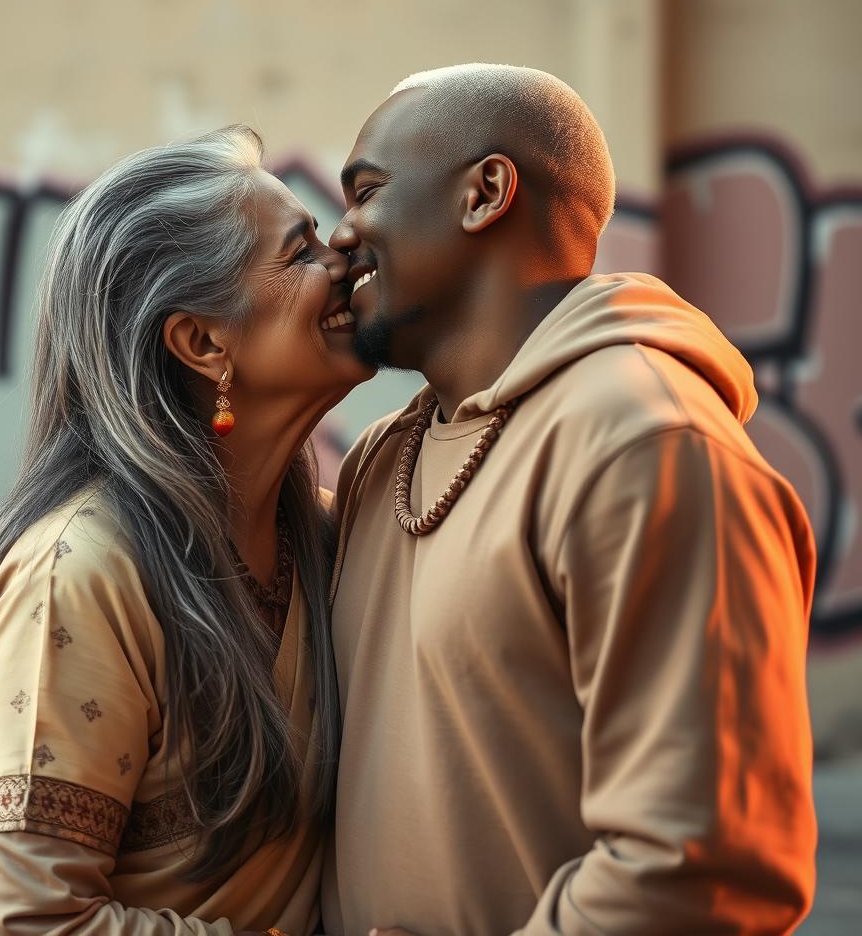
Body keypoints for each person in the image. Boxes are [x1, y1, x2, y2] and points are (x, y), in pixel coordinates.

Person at [322, 64, 817, 936]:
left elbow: (696, 875)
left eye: (366, 191)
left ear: (486, 192)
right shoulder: (381, 458)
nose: (340, 232)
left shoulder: (648, 444)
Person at [0, 125, 373, 935]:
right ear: (203, 342)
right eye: (301, 254)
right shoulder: (77, 577)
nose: (345, 262)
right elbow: (30, 922)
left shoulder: (324, 536)